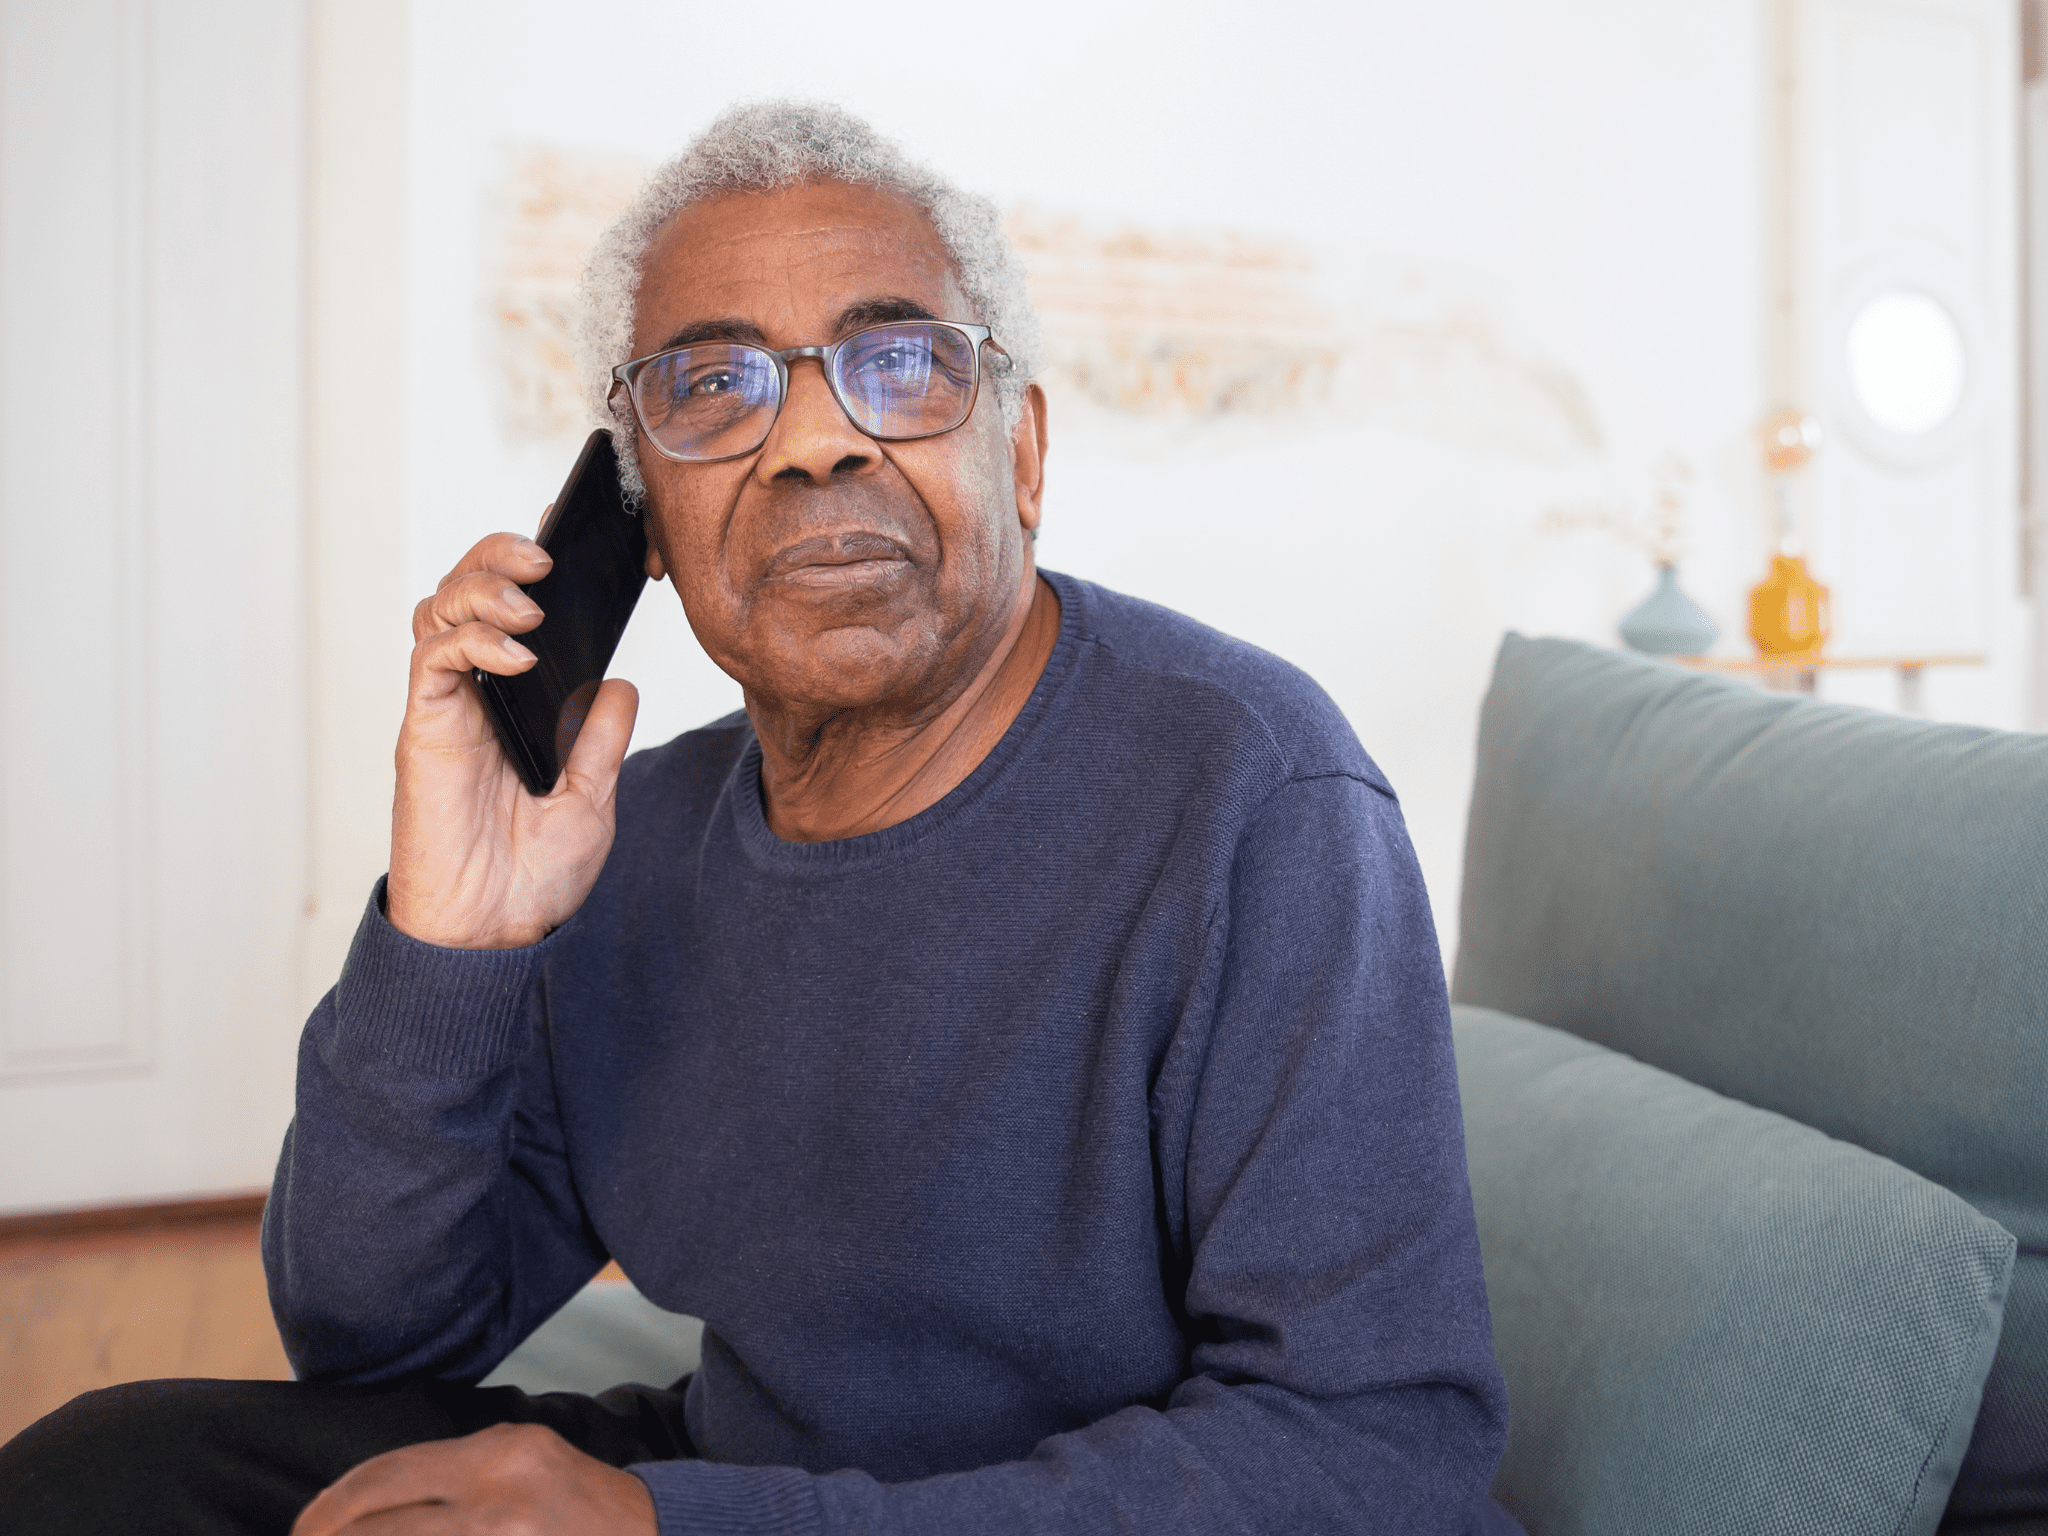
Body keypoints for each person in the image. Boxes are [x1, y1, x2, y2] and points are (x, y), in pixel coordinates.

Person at [0, 100, 1523, 1536]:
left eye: (901, 362)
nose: (812, 442)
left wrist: (682, 1523)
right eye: (714, 385)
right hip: (753, 1477)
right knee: (108, 1477)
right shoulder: (631, 840)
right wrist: (446, 939)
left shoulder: (1253, 796)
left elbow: (1376, 1446)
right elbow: (373, 1334)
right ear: (640, 513)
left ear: (1027, 451)